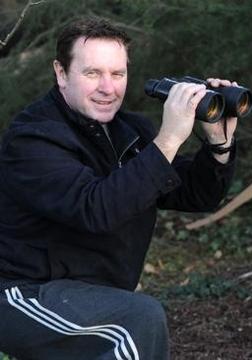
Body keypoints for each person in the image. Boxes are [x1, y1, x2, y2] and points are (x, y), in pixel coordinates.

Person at [0, 17, 238, 359]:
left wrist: (219, 143)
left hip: (92, 294)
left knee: (133, 318)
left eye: (118, 74)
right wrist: (169, 139)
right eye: (92, 73)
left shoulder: (129, 131)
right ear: (61, 73)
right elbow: (95, 209)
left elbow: (198, 194)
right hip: (21, 294)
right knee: (137, 320)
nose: (108, 88)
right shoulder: (33, 138)